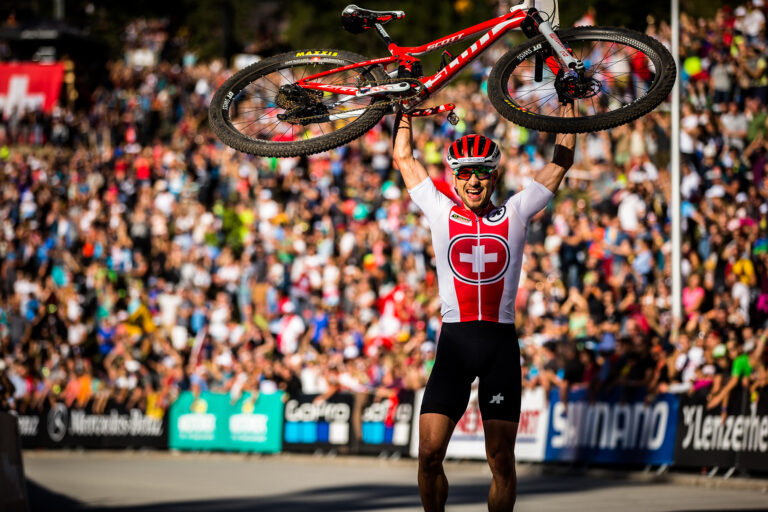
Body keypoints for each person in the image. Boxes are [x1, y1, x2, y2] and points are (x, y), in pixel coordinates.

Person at [393, 103, 576, 511]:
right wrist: (402, 109)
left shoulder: (516, 211)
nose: (473, 181)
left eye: (481, 172)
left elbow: (562, 160)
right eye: (464, 173)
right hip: (455, 344)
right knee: (428, 454)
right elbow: (403, 157)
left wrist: (569, 102)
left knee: (501, 462)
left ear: (494, 175)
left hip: (499, 346)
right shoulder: (440, 211)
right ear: (454, 178)